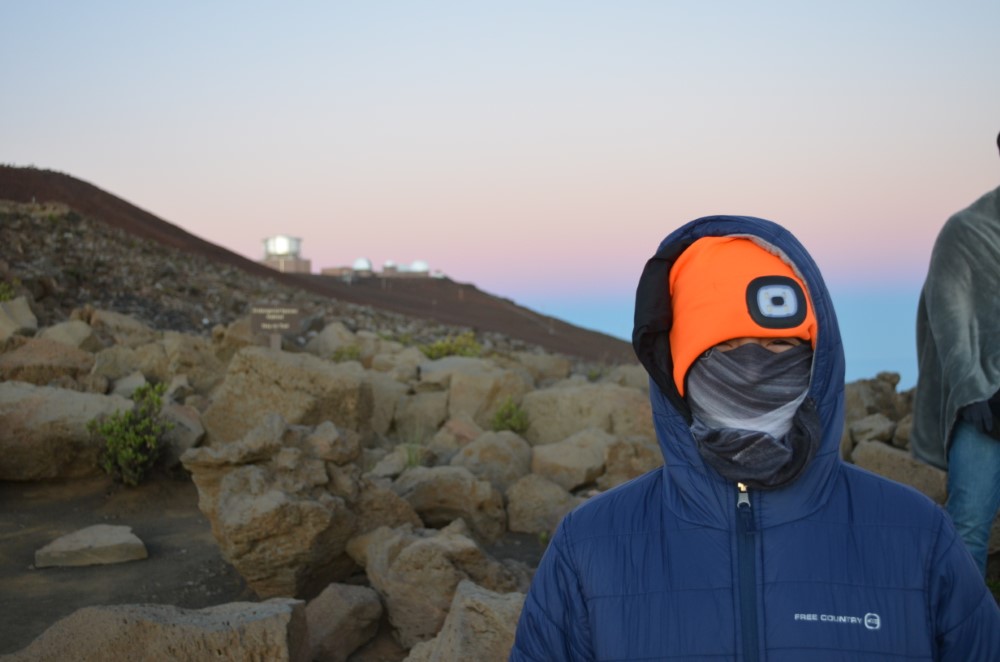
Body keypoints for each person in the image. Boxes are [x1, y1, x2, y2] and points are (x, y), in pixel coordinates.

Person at [510, 215, 1000, 661]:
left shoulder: (919, 538)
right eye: (726, 349)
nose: (753, 369)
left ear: (818, 361)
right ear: (676, 373)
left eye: (779, 345)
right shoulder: (589, 549)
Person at [910, 131, 1000, 577]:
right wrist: (972, 391)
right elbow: (948, 316)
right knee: (968, 527)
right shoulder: (966, 231)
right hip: (984, 405)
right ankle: (963, 620)